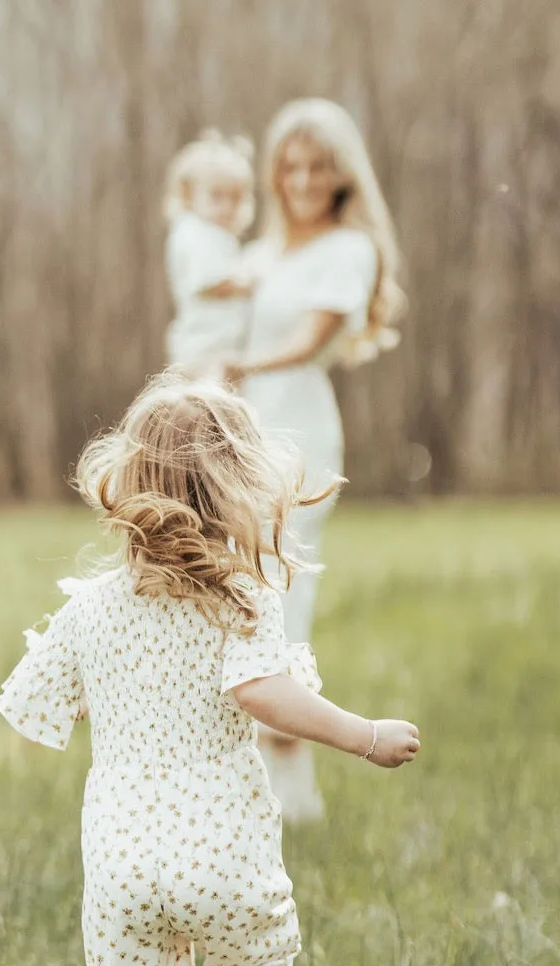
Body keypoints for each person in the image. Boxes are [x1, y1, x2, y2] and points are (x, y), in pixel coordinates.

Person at [0, 374, 420, 966]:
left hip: (119, 866)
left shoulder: (90, 611)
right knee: (263, 956)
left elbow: (29, 709)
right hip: (219, 850)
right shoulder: (241, 600)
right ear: (234, 486)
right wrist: (365, 734)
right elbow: (265, 695)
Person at [225, 98, 405, 824]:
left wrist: (240, 363)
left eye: (316, 167)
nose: (301, 180)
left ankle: (295, 795)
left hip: (294, 434)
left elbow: (309, 338)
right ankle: (240, 786)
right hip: (233, 437)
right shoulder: (261, 253)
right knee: (234, 597)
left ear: (341, 175)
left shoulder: (349, 249)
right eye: (289, 165)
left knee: (279, 597)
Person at [164, 131, 256, 368]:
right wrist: (249, 285)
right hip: (204, 350)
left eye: (235, 198)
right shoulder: (193, 233)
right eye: (217, 197)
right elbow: (209, 283)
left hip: (220, 347)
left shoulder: (217, 235)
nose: (227, 206)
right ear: (189, 195)